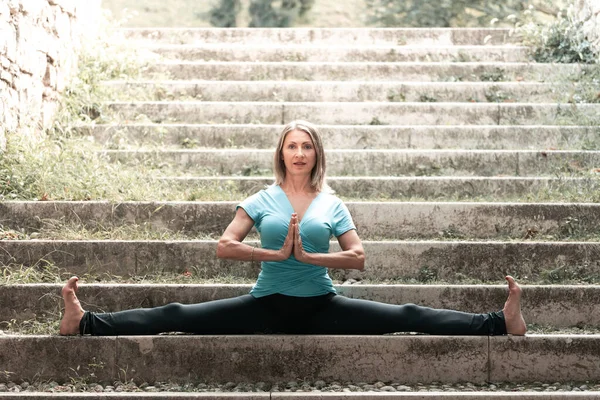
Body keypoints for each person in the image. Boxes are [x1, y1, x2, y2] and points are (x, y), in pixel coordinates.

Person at [59, 120, 527, 336]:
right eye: (291, 146)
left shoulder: (331, 202)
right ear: (281, 153)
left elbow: (358, 257)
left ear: (316, 153)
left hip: (324, 305)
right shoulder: (262, 198)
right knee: (179, 313)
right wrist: (275, 255)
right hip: (264, 304)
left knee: (406, 315)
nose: (299, 153)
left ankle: (499, 322)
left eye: (306, 146)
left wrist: (309, 258)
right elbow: (224, 246)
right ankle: (84, 322)